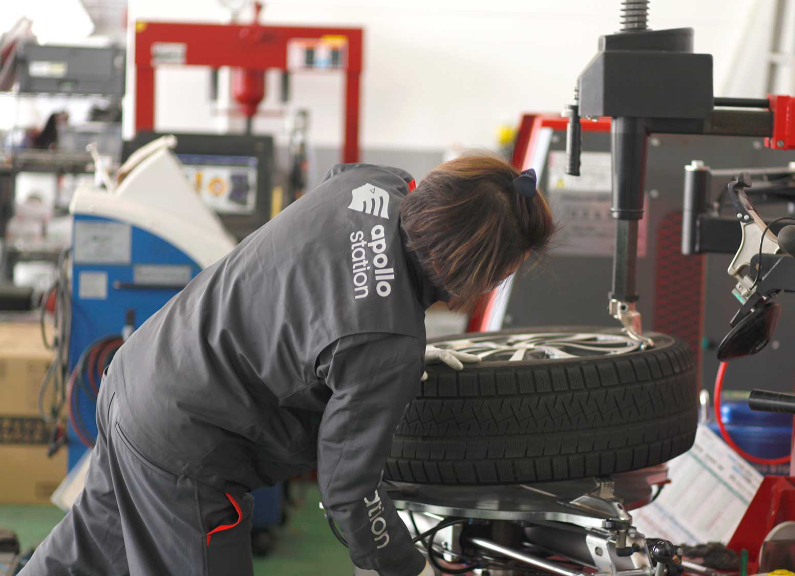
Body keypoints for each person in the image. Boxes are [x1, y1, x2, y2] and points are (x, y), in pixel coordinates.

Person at [23, 155, 555, 576]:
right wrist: (405, 565)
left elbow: (333, 218)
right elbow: (349, 489)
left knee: (80, 561)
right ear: (475, 269)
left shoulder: (374, 184)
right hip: (184, 449)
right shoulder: (387, 343)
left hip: (138, 374)